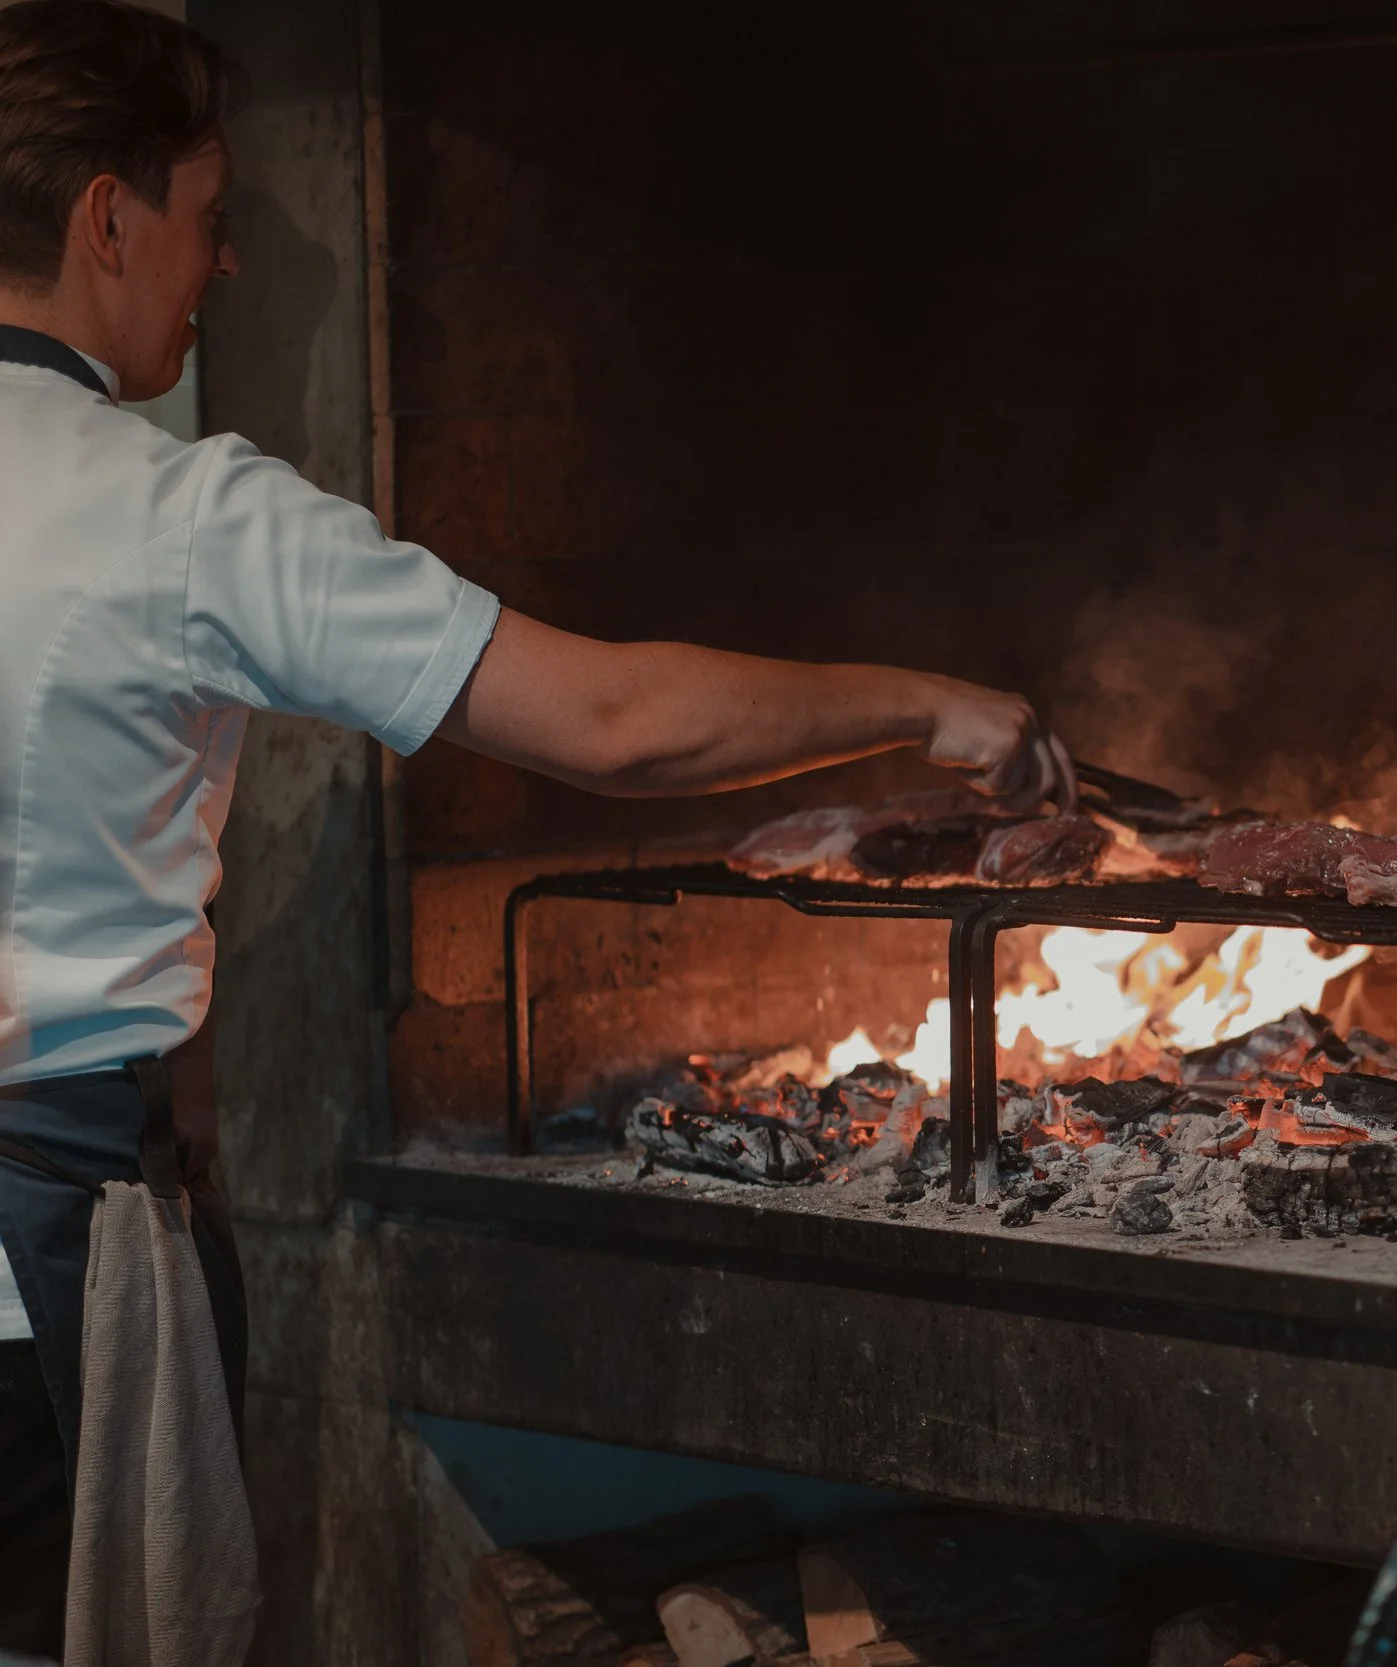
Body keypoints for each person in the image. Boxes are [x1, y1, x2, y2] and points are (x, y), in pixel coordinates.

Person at [0, 1, 1074, 1652]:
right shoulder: (172, 516)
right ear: (104, 215)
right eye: (209, 223)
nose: (221, 268)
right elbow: (615, 723)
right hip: (48, 1273)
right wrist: (930, 704)